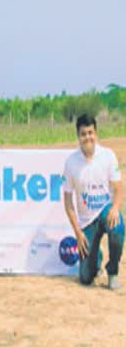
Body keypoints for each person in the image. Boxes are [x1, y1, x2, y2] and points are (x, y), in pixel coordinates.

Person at [63, 114, 124, 290]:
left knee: (117, 225)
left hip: (104, 211)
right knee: (85, 278)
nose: (87, 137)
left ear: (96, 134)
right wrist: (77, 232)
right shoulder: (71, 162)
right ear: (78, 136)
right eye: (83, 134)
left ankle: (112, 272)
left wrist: (114, 207)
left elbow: (119, 188)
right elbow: (67, 201)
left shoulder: (107, 155)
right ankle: (95, 256)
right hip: (86, 222)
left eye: (90, 132)